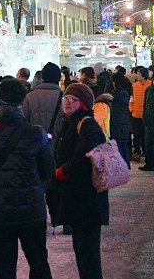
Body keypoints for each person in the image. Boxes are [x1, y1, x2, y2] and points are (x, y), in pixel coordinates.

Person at [0, 78, 54, 279]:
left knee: (2, 267)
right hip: (31, 210)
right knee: (39, 262)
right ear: (22, 103)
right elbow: (48, 171)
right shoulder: (36, 134)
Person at [53, 83, 109, 279]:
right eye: (65, 99)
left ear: (83, 103)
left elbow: (84, 158)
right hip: (78, 197)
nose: (67, 103)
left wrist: (60, 173)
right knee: (82, 250)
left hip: (87, 199)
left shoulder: (87, 125)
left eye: (72, 99)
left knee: (88, 253)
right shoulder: (72, 123)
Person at [23, 62, 65, 138]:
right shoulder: (64, 98)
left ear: (43, 77)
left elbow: (24, 121)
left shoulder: (30, 97)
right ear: (59, 77)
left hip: (35, 141)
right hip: (57, 143)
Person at [110, 72, 131, 168]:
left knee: (118, 144)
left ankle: (121, 166)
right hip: (124, 119)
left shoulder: (116, 93)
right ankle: (126, 165)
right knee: (123, 143)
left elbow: (107, 98)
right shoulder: (125, 91)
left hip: (116, 120)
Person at [130, 67, 151, 161]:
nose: (137, 75)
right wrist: (131, 108)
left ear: (144, 75)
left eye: (139, 74)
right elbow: (131, 98)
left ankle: (147, 152)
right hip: (136, 114)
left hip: (147, 115)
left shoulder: (150, 85)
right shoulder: (134, 85)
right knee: (137, 135)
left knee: (146, 135)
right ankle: (137, 152)